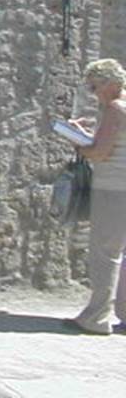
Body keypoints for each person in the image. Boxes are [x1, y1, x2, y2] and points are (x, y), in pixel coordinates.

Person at [64, 58, 126, 335]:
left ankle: (97, 317)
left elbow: (100, 153)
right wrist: (85, 135)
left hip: (114, 188)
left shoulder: (115, 109)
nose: (93, 93)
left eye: (94, 87)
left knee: (105, 252)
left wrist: (75, 138)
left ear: (109, 83)